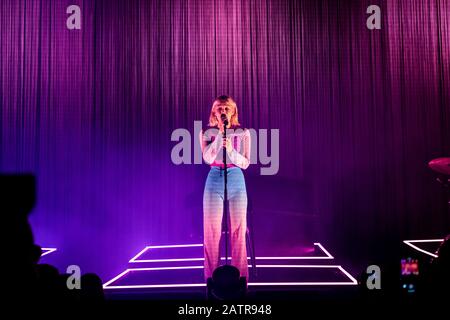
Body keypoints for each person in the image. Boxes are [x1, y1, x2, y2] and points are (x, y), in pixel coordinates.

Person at [199, 95, 251, 282]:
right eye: (219, 108)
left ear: (233, 111)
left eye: (227, 108)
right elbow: (206, 158)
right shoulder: (206, 131)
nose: (223, 111)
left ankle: (240, 280)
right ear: (214, 111)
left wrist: (230, 150)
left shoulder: (243, 132)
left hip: (236, 177)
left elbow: (245, 163)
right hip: (214, 177)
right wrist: (219, 138)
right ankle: (211, 280)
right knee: (211, 232)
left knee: (238, 230)